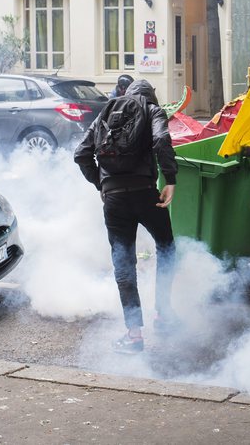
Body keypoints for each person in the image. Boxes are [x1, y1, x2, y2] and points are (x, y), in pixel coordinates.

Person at [75, 79, 178, 354]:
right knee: (167, 247)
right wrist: (170, 179)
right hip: (146, 194)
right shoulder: (153, 110)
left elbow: (81, 154)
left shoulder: (106, 113)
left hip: (115, 201)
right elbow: (160, 140)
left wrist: (102, 184)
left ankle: (133, 336)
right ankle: (164, 316)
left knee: (124, 263)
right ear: (151, 97)